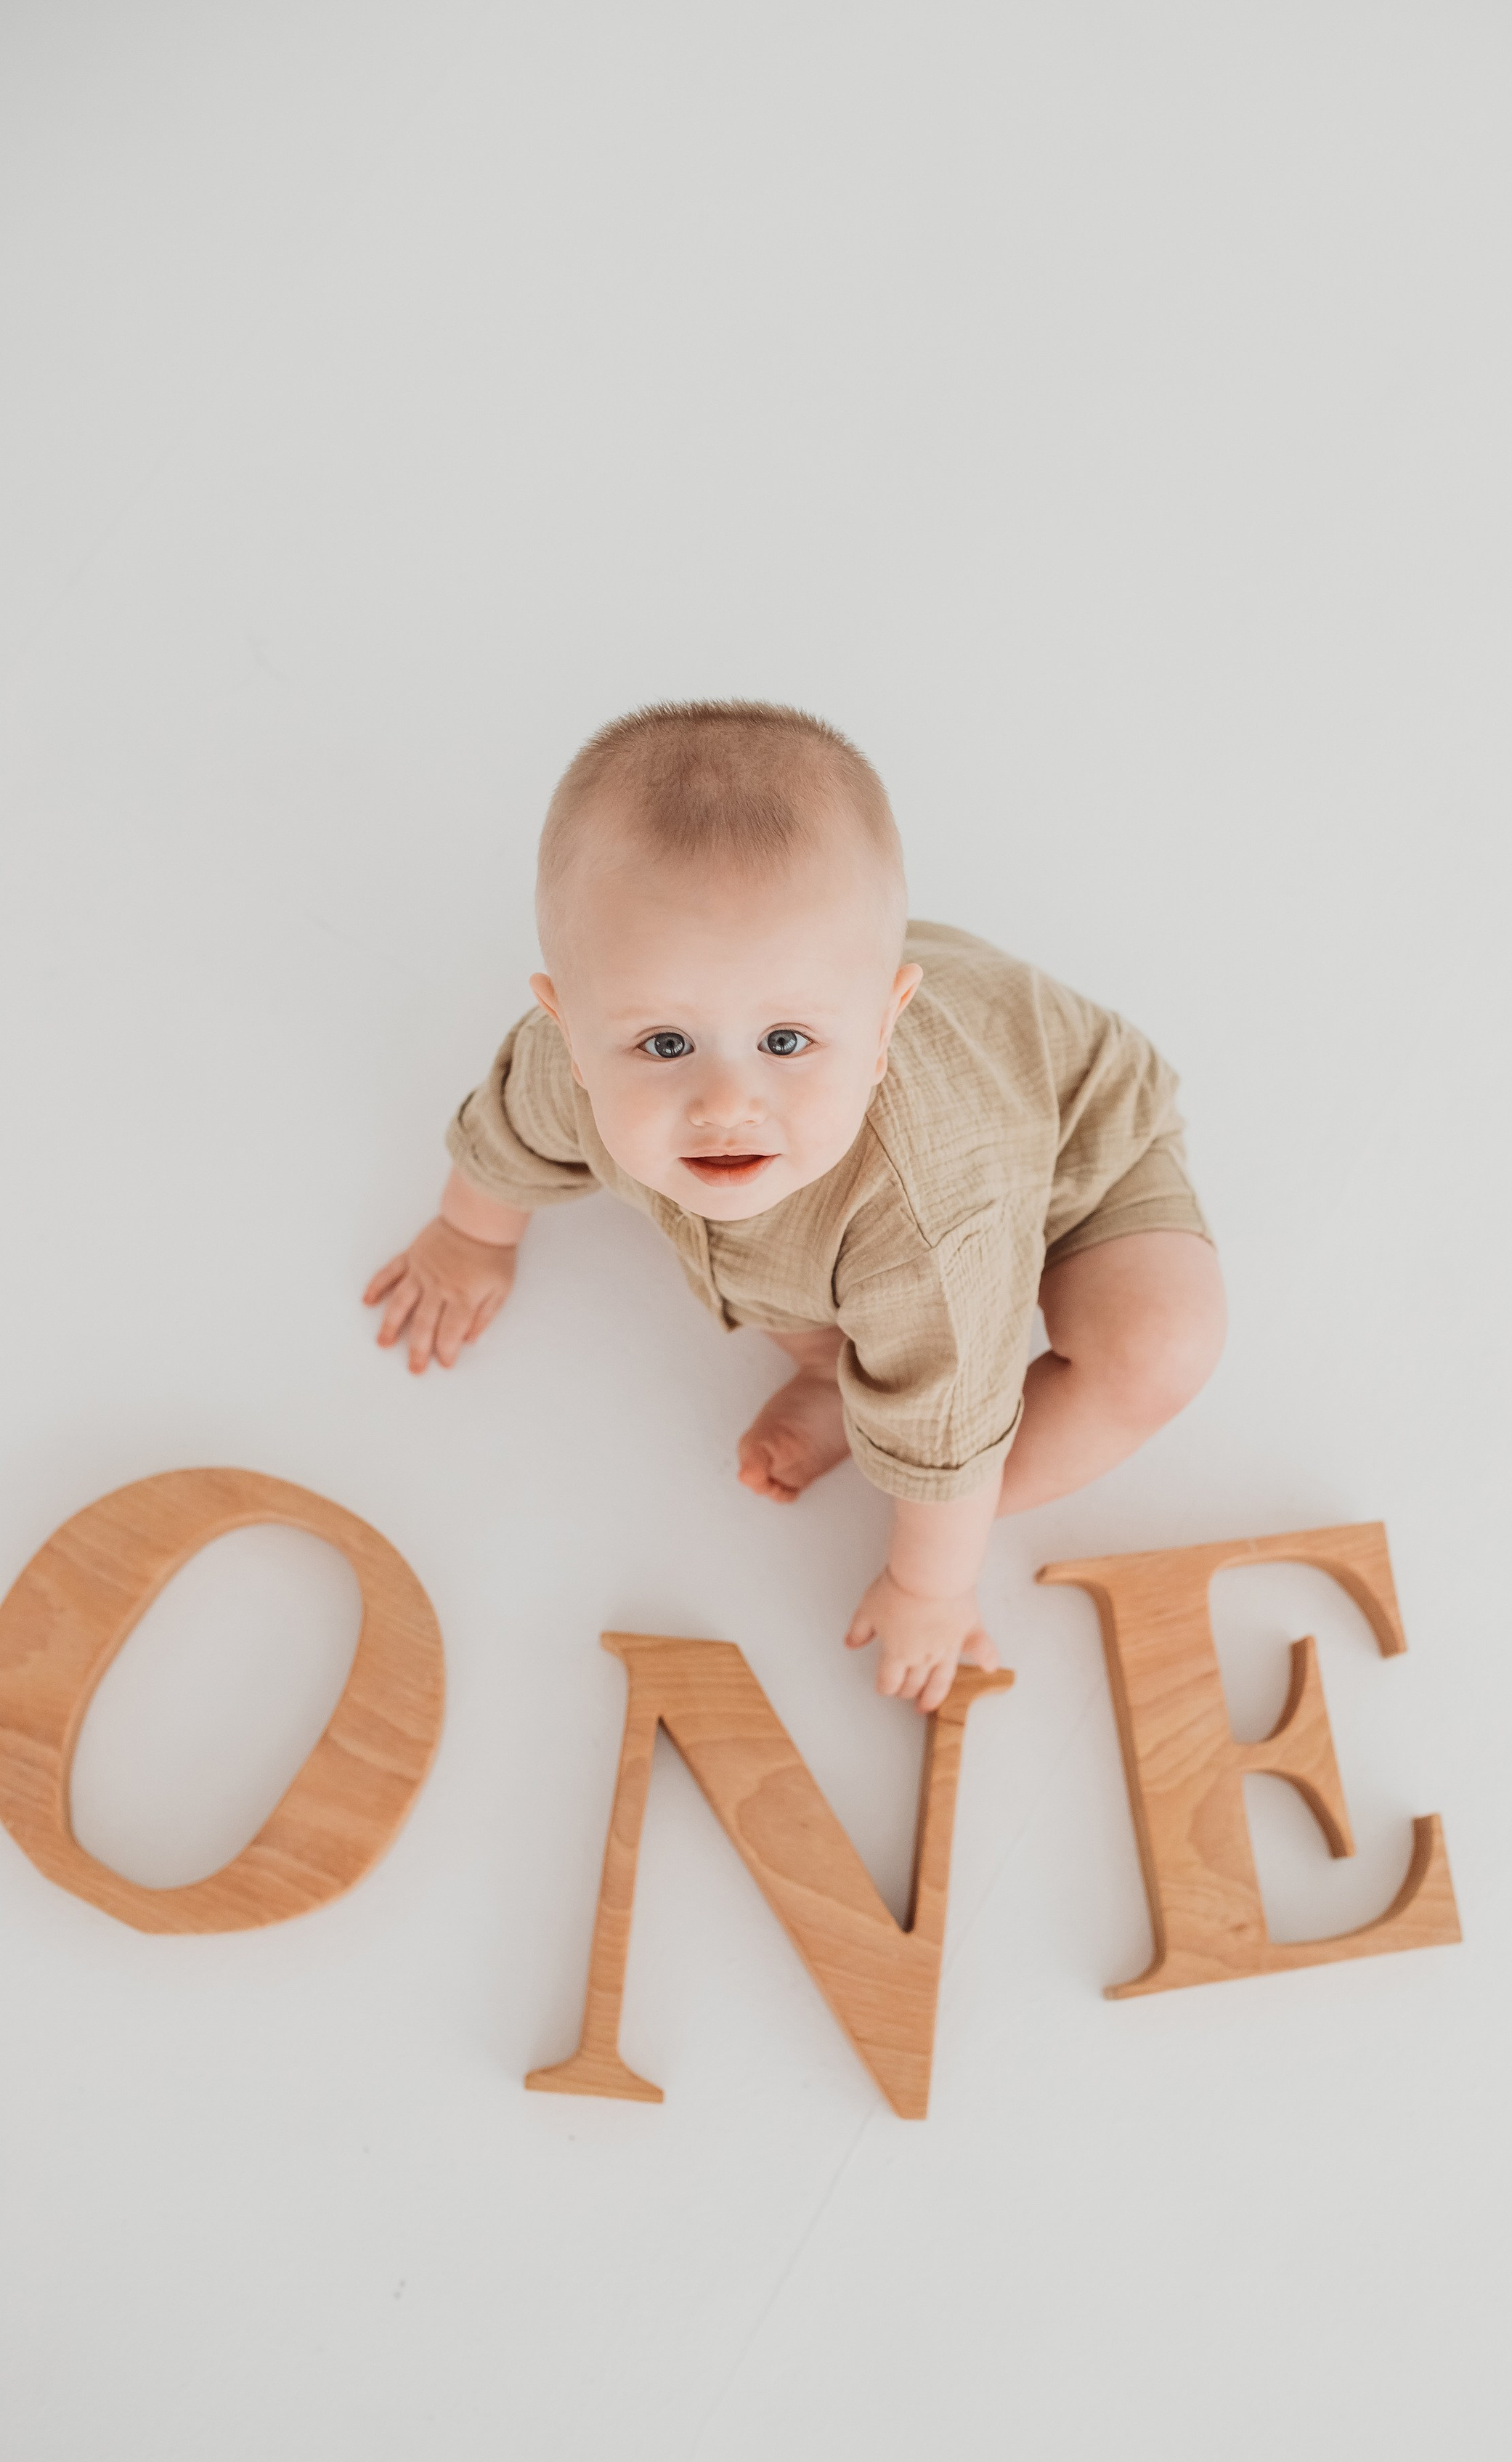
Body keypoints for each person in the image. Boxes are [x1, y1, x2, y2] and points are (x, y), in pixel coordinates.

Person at [365, 702, 1225, 1713]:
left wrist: (928, 1584)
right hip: (853, 1184)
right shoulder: (568, 1068)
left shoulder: (925, 1221)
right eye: (666, 1045)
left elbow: (957, 1399)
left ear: (883, 1026)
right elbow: (510, 1135)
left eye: (784, 1043)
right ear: (569, 1025)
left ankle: (898, 1458)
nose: (727, 1105)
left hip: (1079, 1140)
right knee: (791, 1256)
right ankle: (839, 1379)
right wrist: (469, 1237)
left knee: (1158, 1346)